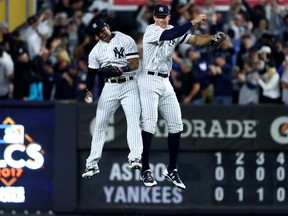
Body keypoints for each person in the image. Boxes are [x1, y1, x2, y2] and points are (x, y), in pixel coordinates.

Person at [137, 4, 227, 189]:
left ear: (169, 17)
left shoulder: (172, 29)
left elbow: (195, 40)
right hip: (148, 79)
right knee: (149, 124)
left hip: (164, 80)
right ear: (153, 18)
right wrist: (193, 21)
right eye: (158, 16)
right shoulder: (152, 30)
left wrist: (212, 38)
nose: (161, 19)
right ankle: (145, 169)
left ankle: (171, 169)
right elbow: (171, 36)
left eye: (164, 16)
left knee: (177, 125)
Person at [82, 19, 143, 178]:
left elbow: (135, 64)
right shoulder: (96, 51)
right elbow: (91, 73)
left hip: (129, 84)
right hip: (109, 87)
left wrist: (119, 69)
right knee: (100, 124)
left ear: (108, 27)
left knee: (133, 120)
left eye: (102, 30)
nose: (101, 34)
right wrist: (88, 90)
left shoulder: (125, 39)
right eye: (98, 33)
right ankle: (92, 164)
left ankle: (135, 157)